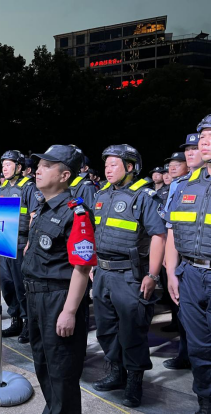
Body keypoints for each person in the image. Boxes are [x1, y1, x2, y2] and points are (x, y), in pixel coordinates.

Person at [22, 145, 96, 413]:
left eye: (46, 166)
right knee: (43, 363)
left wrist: (69, 311)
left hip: (57, 299)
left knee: (62, 370)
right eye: (38, 165)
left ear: (64, 175)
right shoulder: (43, 208)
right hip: (36, 297)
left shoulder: (76, 212)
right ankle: (54, 408)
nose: (37, 170)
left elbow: (82, 267)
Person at [91, 145, 166, 408]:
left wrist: (153, 275)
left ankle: (134, 382)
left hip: (130, 275)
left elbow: (159, 235)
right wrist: (93, 264)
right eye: (106, 165)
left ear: (130, 167)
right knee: (105, 328)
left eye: (114, 164)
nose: (107, 169)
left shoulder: (144, 196)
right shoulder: (101, 195)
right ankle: (116, 372)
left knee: (132, 330)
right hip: (102, 272)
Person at [166, 115, 211, 414]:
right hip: (191, 274)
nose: (205, 141)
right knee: (197, 346)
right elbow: (171, 230)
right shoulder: (184, 185)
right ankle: (205, 401)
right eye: (203, 135)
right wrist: (170, 271)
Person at [161, 132, 203, 370]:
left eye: (194, 147)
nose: (190, 152)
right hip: (187, 264)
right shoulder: (180, 186)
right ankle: (185, 355)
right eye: (187, 148)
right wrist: (171, 262)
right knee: (188, 319)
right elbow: (172, 227)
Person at [0, 150, 36, 343]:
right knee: (7, 285)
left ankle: (28, 322)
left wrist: (30, 242)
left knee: (21, 285)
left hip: (20, 243)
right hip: (4, 243)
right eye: (3, 164)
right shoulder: (2, 188)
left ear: (19, 167)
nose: (4, 168)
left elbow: (34, 215)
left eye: (8, 164)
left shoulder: (29, 187)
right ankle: (15, 320)